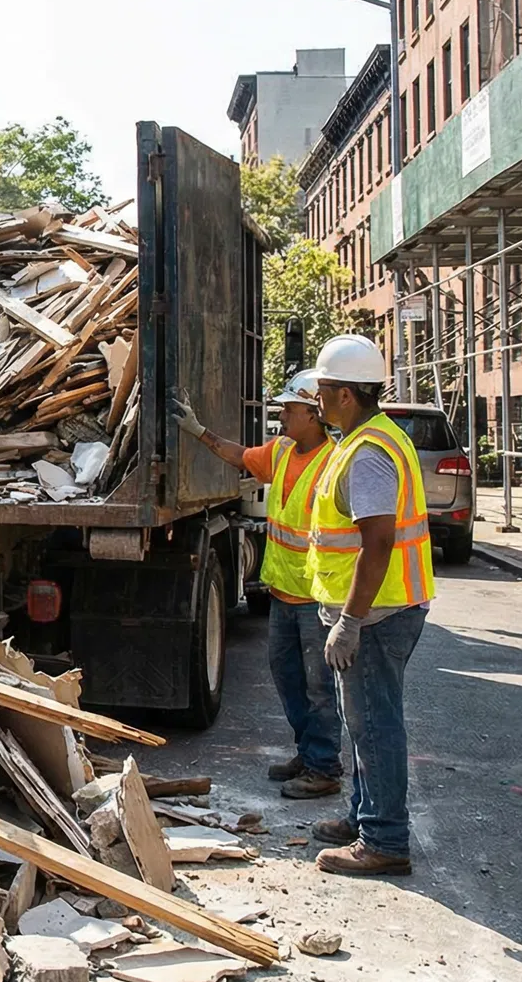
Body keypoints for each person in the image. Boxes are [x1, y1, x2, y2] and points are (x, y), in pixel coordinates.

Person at [171, 371, 342, 800]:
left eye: (289, 409)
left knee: (319, 687)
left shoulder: (334, 462)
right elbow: (241, 456)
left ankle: (324, 766)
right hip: (283, 593)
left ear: (313, 414)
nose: (281, 415)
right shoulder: (282, 451)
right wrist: (197, 430)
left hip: (316, 597)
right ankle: (309, 753)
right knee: (288, 678)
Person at [304, 333, 435, 877]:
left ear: (346, 394)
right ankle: (365, 815)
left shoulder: (368, 453)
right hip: (379, 609)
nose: (315, 399)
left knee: (375, 725)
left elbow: (377, 541)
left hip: (378, 614)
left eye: (322, 390)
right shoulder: (365, 438)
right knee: (362, 722)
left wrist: (350, 621)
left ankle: (383, 839)